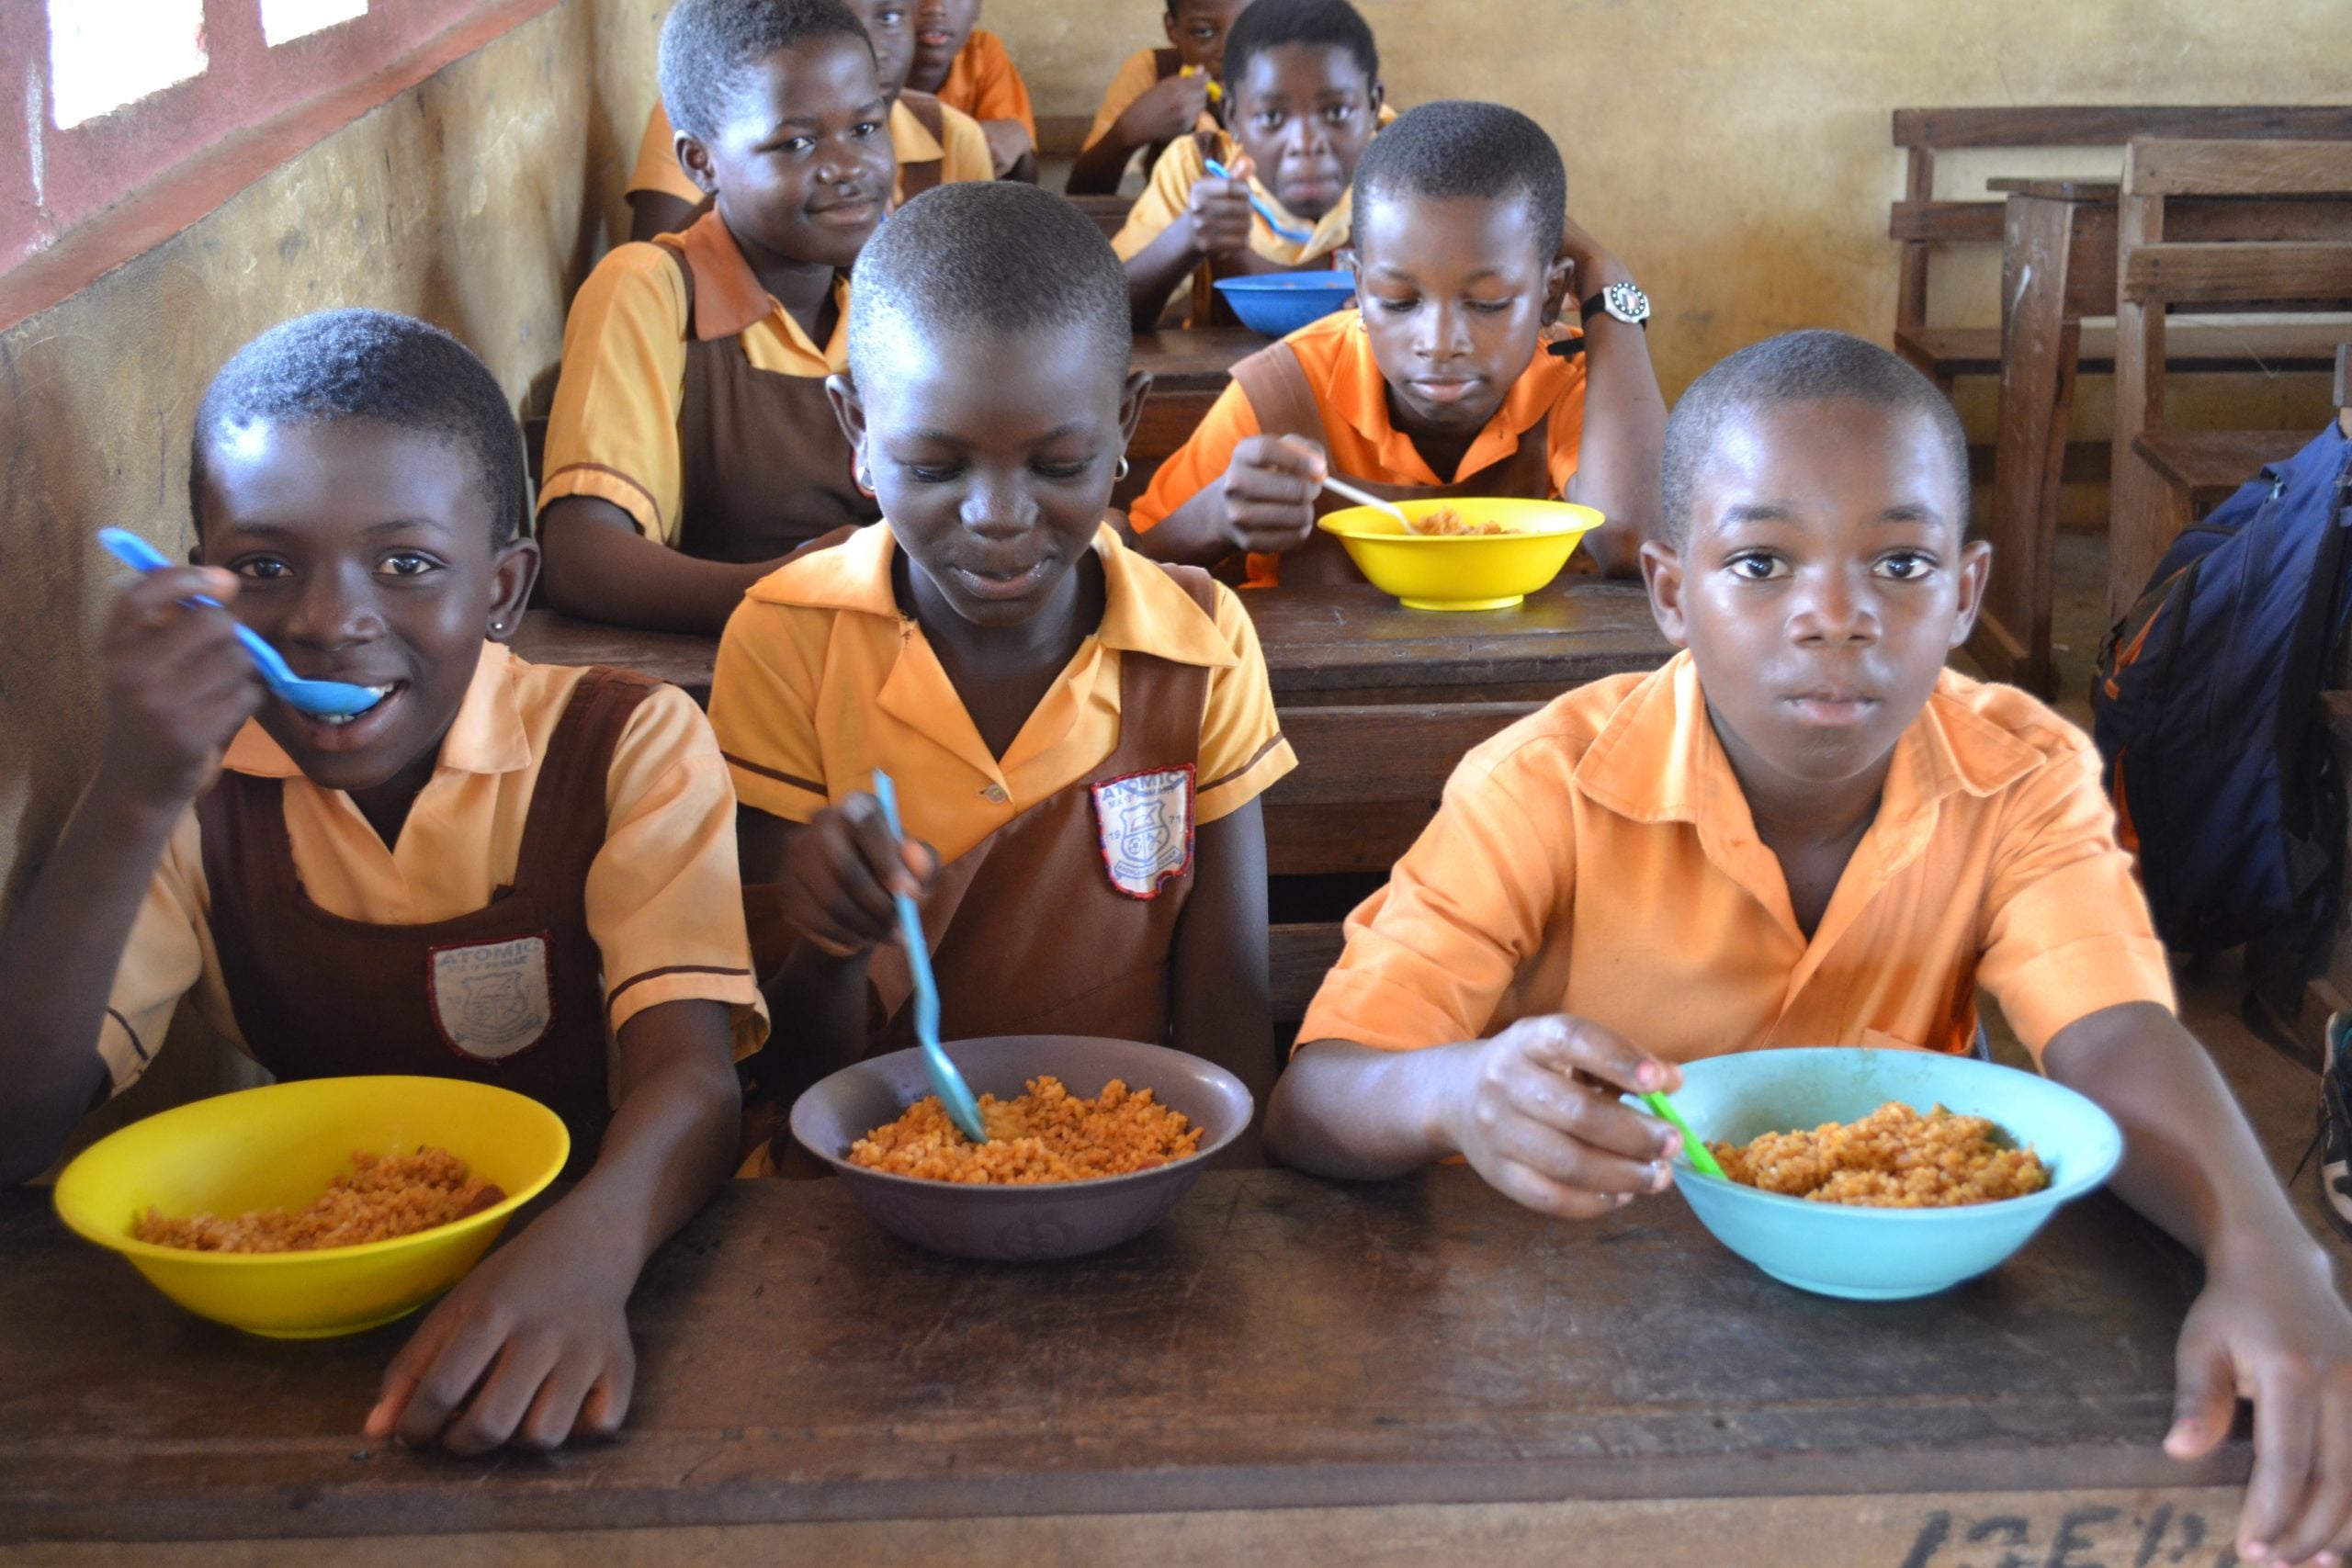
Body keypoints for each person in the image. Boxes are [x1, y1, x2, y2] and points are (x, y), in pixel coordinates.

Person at [1264, 330, 2352, 1568]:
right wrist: (1457, 1089)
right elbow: (1317, 1098)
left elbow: (2110, 1026)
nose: (1835, 616)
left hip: (1925, 1354)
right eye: (1761, 560)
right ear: (1672, 592)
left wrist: (2267, 1245)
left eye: (1898, 561)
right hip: (1568, 1360)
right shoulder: (1541, 785)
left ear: (1965, 590)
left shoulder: (2022, 772)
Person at [0, 310, 764, 1453]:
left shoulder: (623, 744)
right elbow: (16, 1124)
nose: (327, 620)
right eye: (263, 567)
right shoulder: (195, 789)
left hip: (617, 1255)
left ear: (505, 588)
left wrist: (582, 1261)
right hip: (309, 1322)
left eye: (406, 565)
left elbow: (693, 1081)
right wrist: (131, 795)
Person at [707, 182, 1295, 1157]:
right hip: (861, 1181)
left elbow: (1228, 1015)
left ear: (1123, 428)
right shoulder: (787, 641)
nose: (997, 515)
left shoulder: (1198, 638)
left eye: (1056, 464)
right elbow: (789, 1077)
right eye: (935, 468)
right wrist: (832, 947)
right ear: (857, 431)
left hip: (1128, 1168)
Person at [1127, 100, 1661, 583]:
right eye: (1399, 301)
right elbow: (1125, 563)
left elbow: (1635, 539)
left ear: (1551, 296)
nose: (1439, 343)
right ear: (1359, 288)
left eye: (1488, 302)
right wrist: (1213, 519)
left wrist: (1606, 277)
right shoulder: (1286, 392)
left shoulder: (1577, 387)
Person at [541, 0, 897, 634]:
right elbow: (580, 556)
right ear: (700, 162)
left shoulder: (893, 298)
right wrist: (791, 589)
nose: (848, 167)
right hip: (724, 688)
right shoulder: (650, 293)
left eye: (866, 129)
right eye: (797, 142)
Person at [1109, 0, 1385, 331]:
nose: (1307, 143)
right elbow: (1099, 317)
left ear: (1373, 107)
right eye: (1271, 116)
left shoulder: (1402, 165)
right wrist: (1185, 239)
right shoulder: (1198, 166)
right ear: (1232, 116)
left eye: (1337, 112)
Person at [624, 0, 993, 243]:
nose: (871, 45)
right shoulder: (718, 114)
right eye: (795, 143)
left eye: (889, 16)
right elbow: (662, 264)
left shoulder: (955, 136)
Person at [1065, 0, 1253, 198]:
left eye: (1249, 30)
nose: (1227, 51)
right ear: (1172, 28)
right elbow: (1081, 193)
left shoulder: (1286, 76)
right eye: (1203, 32)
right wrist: (1126, 132)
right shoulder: (1152, 71)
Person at [907, 0, 1036, 179]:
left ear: (978, 8)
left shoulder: (981, 54)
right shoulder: (862, 64)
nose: (935, 7)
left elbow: (1016, 175)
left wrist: (1018, 142)